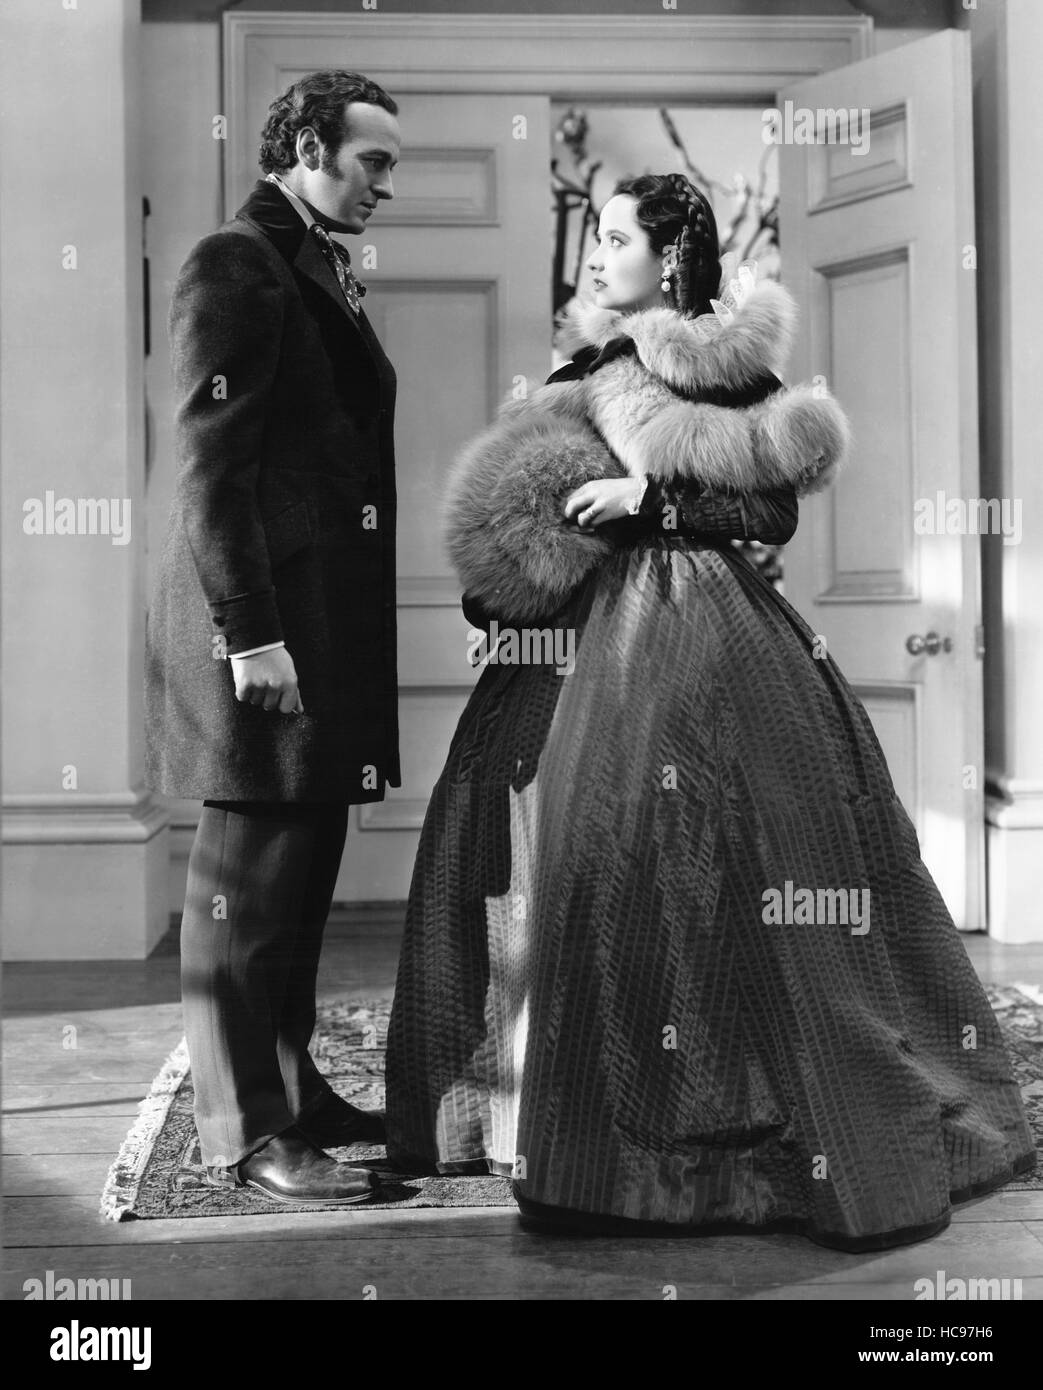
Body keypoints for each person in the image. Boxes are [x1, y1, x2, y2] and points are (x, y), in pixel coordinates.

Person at [384, 173, 1035, 1250]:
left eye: (617, 236)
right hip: (573, 642)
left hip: (697, 627)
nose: (598, 255)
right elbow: (517, 514)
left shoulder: (720, 369)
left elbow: (770, 503)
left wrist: (654, 500)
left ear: (672, 255)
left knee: (722, 863)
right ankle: (530, 1121)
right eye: (594, 235)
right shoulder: (580, 367)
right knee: (551, 860)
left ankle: (724, 1130)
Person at [145, 70, 401, 1205]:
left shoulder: (307, 263)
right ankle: (245, 1134)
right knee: (240, 892)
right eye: (373, 160)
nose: (386, 184)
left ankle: (293, 1091)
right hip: (261, 629)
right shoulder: (235, 262)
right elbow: (208, 468)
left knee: (296, 879)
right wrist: (250, 635)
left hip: (314, 623)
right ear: (305, 143)